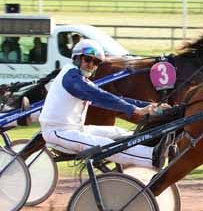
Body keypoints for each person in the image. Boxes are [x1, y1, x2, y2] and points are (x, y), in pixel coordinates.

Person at [39, 39, 171, 169]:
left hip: (75, 129)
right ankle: (151, 157)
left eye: (96, 62)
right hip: (58, 133)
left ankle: (151, 147)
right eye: (88, 60)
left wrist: (148, 106)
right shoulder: (71, 77)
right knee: (106, 144)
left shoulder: (81, 79)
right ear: (77, 58)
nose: (91, 65)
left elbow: (113, 98)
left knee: (119, 132)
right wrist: (136, 110)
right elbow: (100, 97)